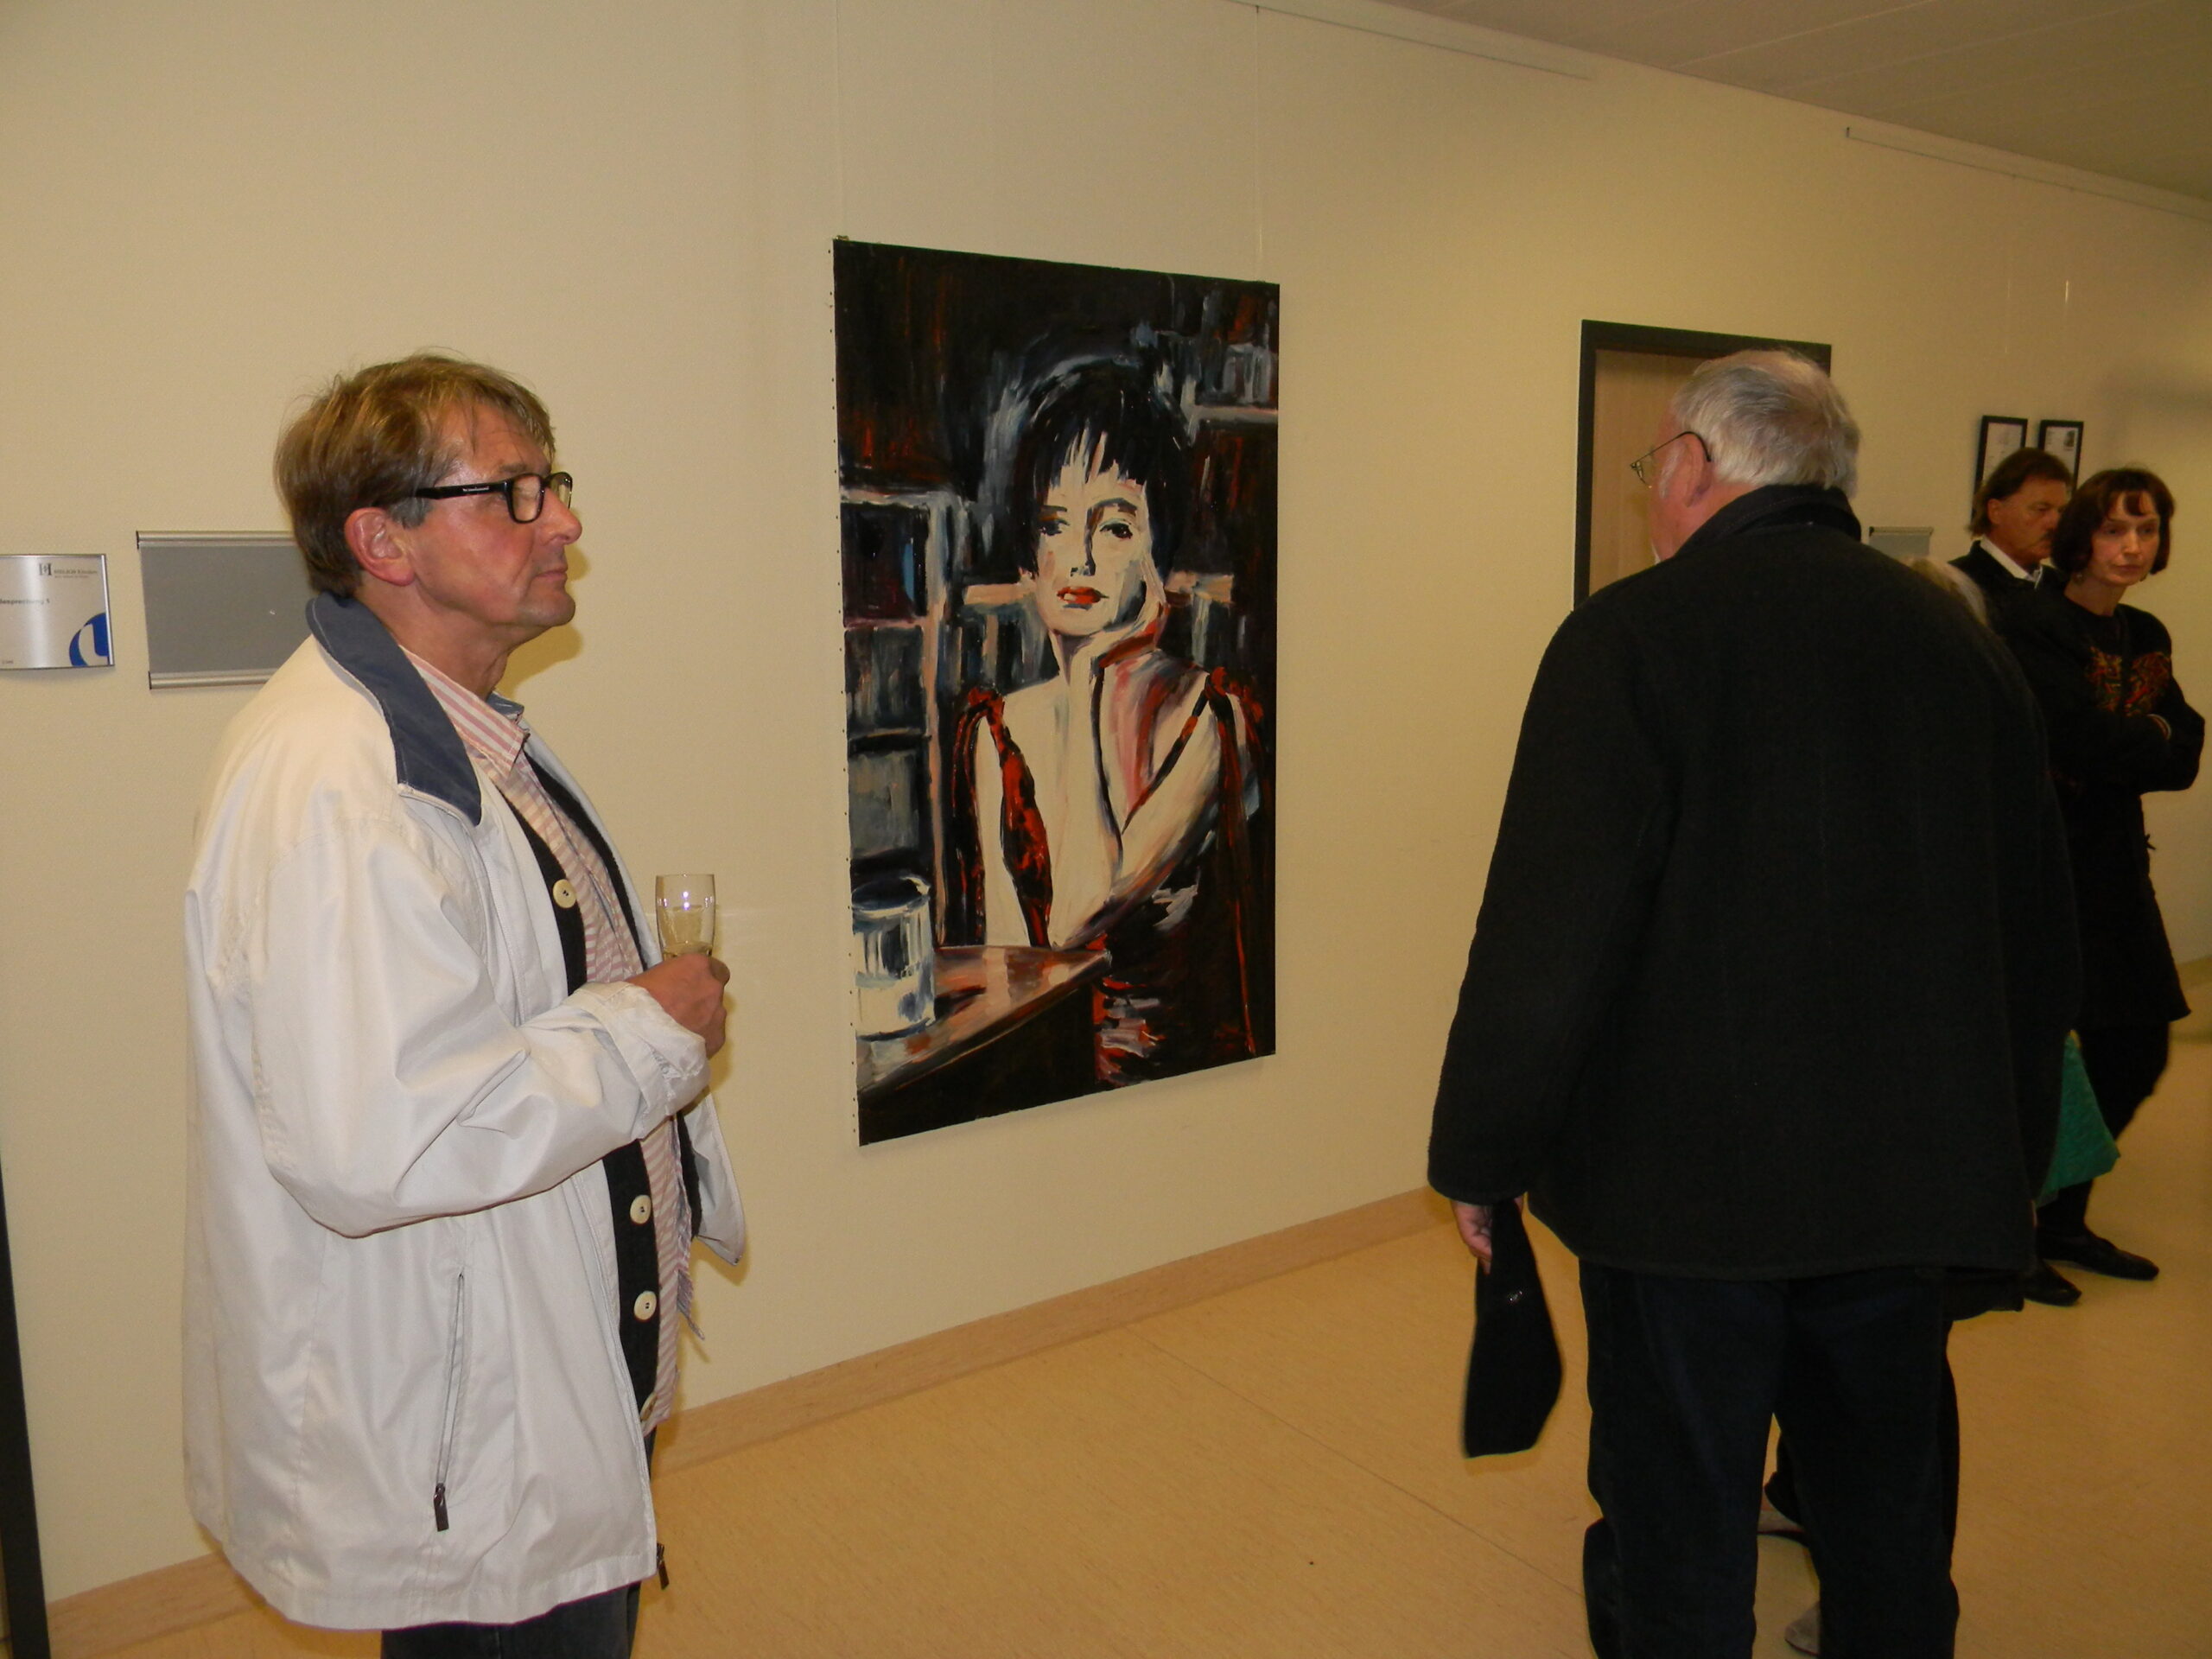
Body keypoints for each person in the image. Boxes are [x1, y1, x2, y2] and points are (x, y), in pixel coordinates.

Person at [1430, 351, 2078, 1659]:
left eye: (1651, 466)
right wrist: (2001, 1167)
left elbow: (1549, 937)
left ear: (1692, 466)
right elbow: (2032, 930)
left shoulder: (1631, 636)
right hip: (1906, 1181)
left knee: (1680, 1516)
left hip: (1685, 1195)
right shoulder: (1958, 642)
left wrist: (1481, 1157)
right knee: (1885, 1506)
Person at [183, 354, 745, 1656]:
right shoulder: (340, 788)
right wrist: (652, 1030)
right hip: (468, 1435)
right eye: (515, 492)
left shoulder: (465, 735)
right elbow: (386, 1138)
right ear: (383, 542)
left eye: (555, 484)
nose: (565, 522)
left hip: (530, 1379)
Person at [950, 359, 1263, 1084]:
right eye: (1053, 526)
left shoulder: (1210, 721)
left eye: (1115, 527)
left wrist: (1090, 678)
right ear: (1029, 559)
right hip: (1043, 1079)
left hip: (1183, 1093)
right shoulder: (997, 730)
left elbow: (1076, 917)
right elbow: (1011, 966)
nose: (1079, 560)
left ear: (1161, 557)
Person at [2005, 467, 2200, 1303]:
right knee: (2040, 1061)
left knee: (2136, 1046)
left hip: (2118, 867)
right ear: (2081, 536)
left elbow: (2185, 753)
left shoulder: (2143, 631)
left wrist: (2138, 741)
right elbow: (2078, 740)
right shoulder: (2034, 624)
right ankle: (2009, 1236)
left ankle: (2063, 1218)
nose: (2132, 546)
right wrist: (2144, 737)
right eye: (2116, 528)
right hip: (2043, 870)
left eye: (2146, 529)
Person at [1954, 447, 2073, 621]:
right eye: (2041, 509)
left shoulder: (2066, 589)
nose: (2055, 523)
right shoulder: (1956, 587)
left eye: (2061, 511)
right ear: (1996, 511)